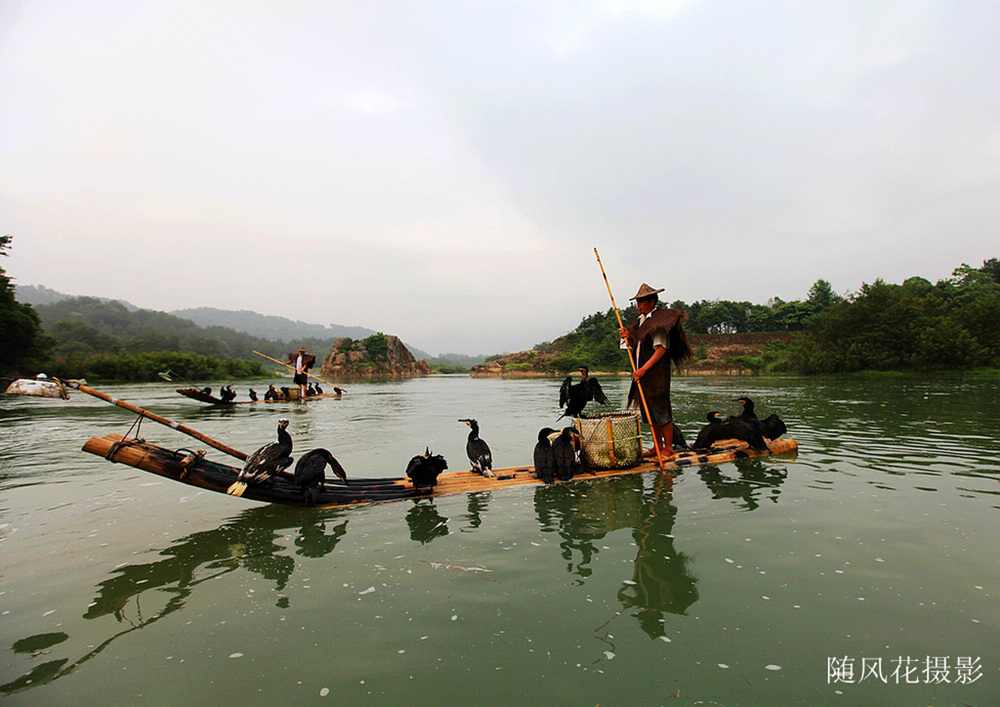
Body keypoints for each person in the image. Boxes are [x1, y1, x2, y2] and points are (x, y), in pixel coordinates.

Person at [618, 283, 692, 460]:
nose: (639, 305)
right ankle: (657, 446)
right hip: (642, 375)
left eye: (642, 301)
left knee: (661, 411)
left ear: (652, 301)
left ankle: (668, 449)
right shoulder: (640, 322)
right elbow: (633, 346)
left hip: (656, 374)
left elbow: (660, 350)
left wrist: (643, 369)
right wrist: (627, 337)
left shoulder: (659, 322)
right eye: (638, 302)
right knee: (648, 411)